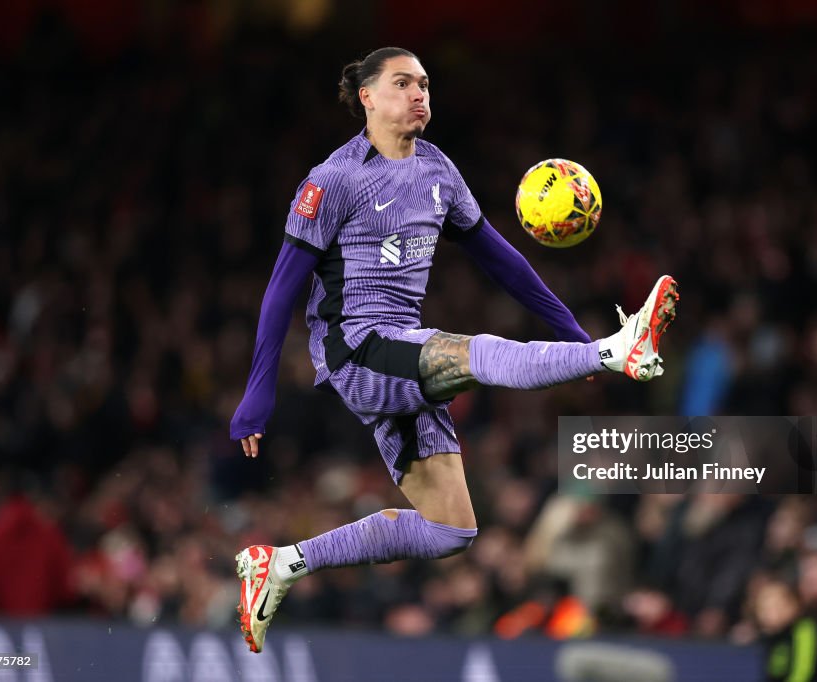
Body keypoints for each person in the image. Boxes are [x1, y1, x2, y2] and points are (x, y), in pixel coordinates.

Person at [230, 46, 679, 653]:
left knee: (450, 530)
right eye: (402, 84)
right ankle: (616, 349)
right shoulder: (331, 181)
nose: (419, 94)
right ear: (366, 97)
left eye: (424, 84)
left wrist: (567, 329)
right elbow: (280, 290)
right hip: (356, 349)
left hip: (401, 353)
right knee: (469, 353)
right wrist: (257, 394)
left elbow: (505, 262)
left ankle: (281, 564)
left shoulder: (438, 170)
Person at [756, 579, 817, 682]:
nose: (771, 614)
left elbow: (803, 673)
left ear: (793, 605)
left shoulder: (805, 628)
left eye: (777, 606)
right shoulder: (770, 637)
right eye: (765, 608)